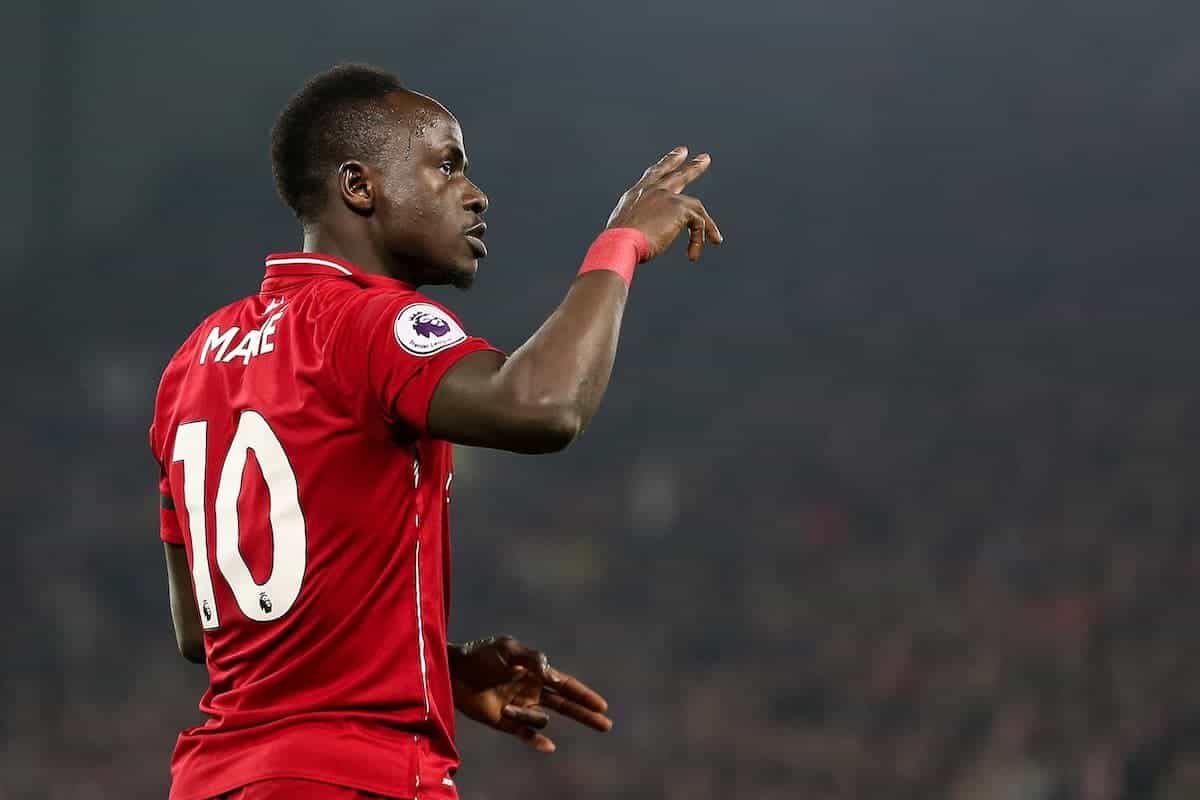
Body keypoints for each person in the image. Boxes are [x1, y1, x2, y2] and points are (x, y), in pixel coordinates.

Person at [148, 63, 722, 800]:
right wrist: (620, 244)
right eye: (446, 166)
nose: (475, 194)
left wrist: (432, 663)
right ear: (360, 187)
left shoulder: (192, 361)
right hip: (356, 778)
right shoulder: (368, 322)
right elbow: (544, 405)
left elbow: (205, 633)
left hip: (218, 781)